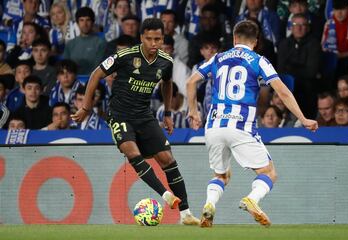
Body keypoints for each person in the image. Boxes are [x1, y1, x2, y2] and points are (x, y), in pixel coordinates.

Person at [186, 20, 318, 228]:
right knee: (268, 173)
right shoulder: (259, 60)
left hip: (213, 126)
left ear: (234, 38)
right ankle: (252, 199)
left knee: (221, 174)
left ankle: (209, 205)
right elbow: (282, 91)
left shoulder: (218, 58)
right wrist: (302, 118)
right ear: (256, 42)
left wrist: (193, 111)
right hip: (241, 127)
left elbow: (190, 82)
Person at [71, 18, 200, 225]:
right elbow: (96, 74)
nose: (154, 43)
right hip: (120, 115)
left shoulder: (165, 61)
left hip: (144, 116)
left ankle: (186, 214)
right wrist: (86, 108)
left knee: (167, 159)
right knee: (132, 152)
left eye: (158, 39)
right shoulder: (125, 56)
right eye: (149, 39)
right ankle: (165, 195)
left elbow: (167, 84)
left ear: (163, 38)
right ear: (141, 38)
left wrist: (167, 113)